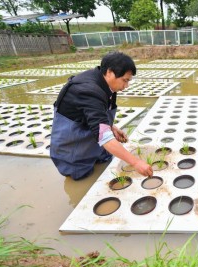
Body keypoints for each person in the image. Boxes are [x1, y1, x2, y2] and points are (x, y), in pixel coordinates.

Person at [50, 51, 153, 180]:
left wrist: (111, 127)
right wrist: (136, 162)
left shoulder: (105, 82)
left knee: (105, 162)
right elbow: (103, 135)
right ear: (110, 72)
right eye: (125, 80)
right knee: (83, 178)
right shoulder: (88, 90)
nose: (126, 86)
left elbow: (94, 114)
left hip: (90, 140)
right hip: (73, 149)